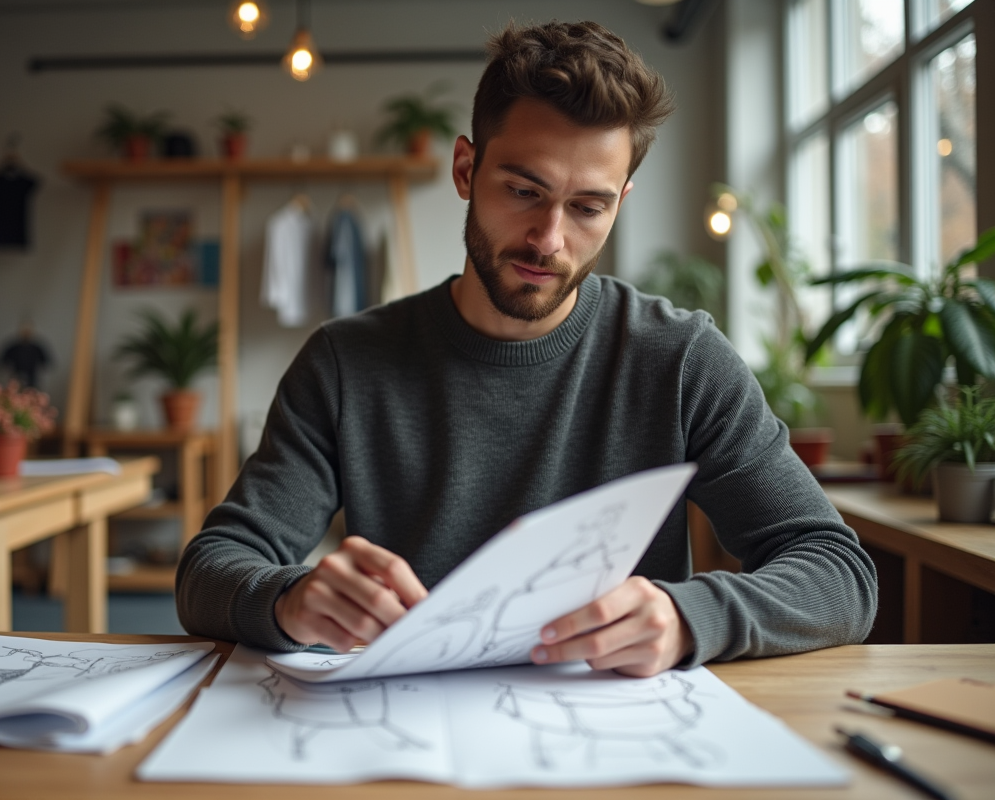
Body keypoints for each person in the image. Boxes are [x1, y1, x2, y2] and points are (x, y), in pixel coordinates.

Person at [177, 20, 877, 677]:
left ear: (620, 203)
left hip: (609, 731)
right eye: (524, 190)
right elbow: (211, 568)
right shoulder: (344, 364)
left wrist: (687, 616)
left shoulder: (680, 359)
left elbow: (838, 573)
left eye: (587, 207)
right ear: (465, 170)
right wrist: (289, 598)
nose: (549, 239)